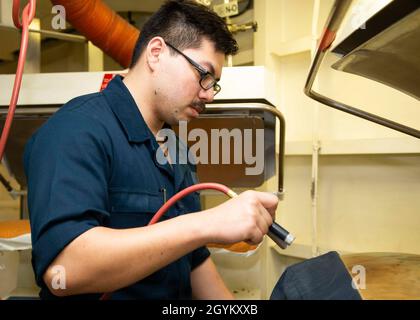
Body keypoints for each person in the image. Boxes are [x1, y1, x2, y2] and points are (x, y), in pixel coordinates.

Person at [24, 0, 278, 299]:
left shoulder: (178, 150)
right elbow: (64, 271)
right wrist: (208, 223)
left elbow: (194, 261)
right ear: (156, 53)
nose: (209, 94)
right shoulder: (78, 129)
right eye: (204, 74)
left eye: (214, 84)